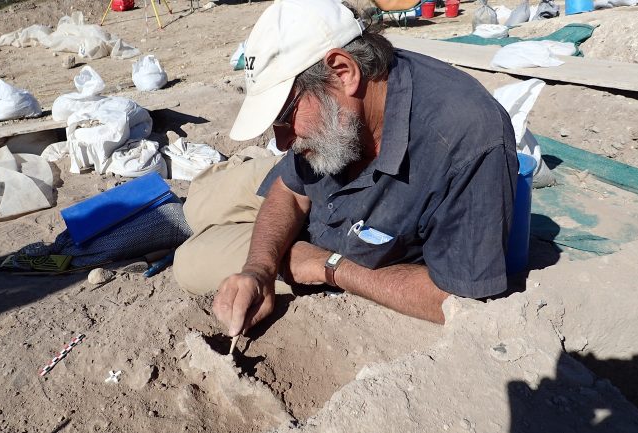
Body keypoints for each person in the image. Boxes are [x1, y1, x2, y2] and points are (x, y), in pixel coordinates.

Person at [173, 0, 518, 337]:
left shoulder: (469, 140)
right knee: (197, 203)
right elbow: (292, 191)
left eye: (284, 117)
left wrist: (329, 267)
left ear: (343, 72)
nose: (280, 141)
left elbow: (456, 298)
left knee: (188, 262)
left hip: (324, 243)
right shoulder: (340, 116)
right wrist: (259, 267)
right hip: (321, 170)